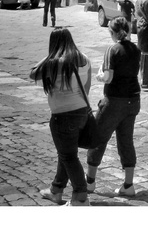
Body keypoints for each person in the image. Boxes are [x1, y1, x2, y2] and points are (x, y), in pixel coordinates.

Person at [30, 27, 91, 206]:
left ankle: (81, 197)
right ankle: (56, 190)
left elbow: (33, 73)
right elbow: (86, 88)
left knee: (69, 156)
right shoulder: (84, 59)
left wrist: (49, 56)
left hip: (63, 115)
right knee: (66, 153)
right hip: (81, 112)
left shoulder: (54, 63)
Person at [85, 16, 141, 198]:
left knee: (97, 137)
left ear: (113, 32)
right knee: (126, 141)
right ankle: (128, 184)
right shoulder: (136, 49)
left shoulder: (112, 49)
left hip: (114, 100)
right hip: (133, 100)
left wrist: (99, 74)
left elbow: (108, 77)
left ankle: (90, 182)